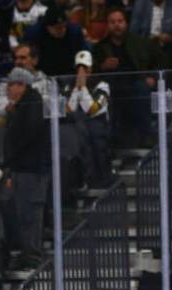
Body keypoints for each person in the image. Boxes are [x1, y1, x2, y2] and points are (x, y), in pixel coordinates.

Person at [94, 7, 166, 147]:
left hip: (135, 84)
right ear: (108, 25)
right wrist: (103, 67)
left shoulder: (140, 42)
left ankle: (147, 137)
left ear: (126, 23)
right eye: (113, 22)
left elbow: (162, 60)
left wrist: (152, 77)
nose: (117, 25)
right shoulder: (100, 47)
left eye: (120, 21)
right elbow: (93, 72)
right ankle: (111, 144)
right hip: (111, 87)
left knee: (142, 90)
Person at [4, 66, 49, 270]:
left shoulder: (31, 103)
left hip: (31, 169)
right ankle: (27, 253)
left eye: (12, 85)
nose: (9, 90)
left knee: (30, 214)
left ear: (21, 85)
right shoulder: (24, 104)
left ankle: (32, 256)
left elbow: (24, 136)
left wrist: (11, 160)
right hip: (25, 168)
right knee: (24, 214)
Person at [62, 50, 112, 188]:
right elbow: (68, 110)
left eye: (85, 68)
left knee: (94, 134)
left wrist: (83, 87)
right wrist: (77, 89)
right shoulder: (69, 86)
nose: (82, 72)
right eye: (79, 68)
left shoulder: (102, 85)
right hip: (77, 128)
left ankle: (100, 181)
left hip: (97, 127)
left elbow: (91, 109)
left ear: (91, 68)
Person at [25, 3, 88, 76]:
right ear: (48, 27)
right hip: (43, 72)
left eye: (64, 26)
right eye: (58, 28)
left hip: (69, 70)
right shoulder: (34, 35)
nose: (62, 30)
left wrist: (82, 65)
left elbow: (83, 49)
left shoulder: (74, 31)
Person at [0, 43, 49, 119]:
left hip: (39, 120)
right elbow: (0, 110)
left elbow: (49, 108)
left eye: (23, 58)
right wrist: (14, 100)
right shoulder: (5, 83)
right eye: (16, 58)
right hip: (14, 121)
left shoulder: (46, 82)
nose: (18, 62)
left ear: (35, 60)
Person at [129, 0, 172, 67]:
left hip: (168, 51)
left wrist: (170, 38)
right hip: (145, 51)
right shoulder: (140, 5)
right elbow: (132, 34)